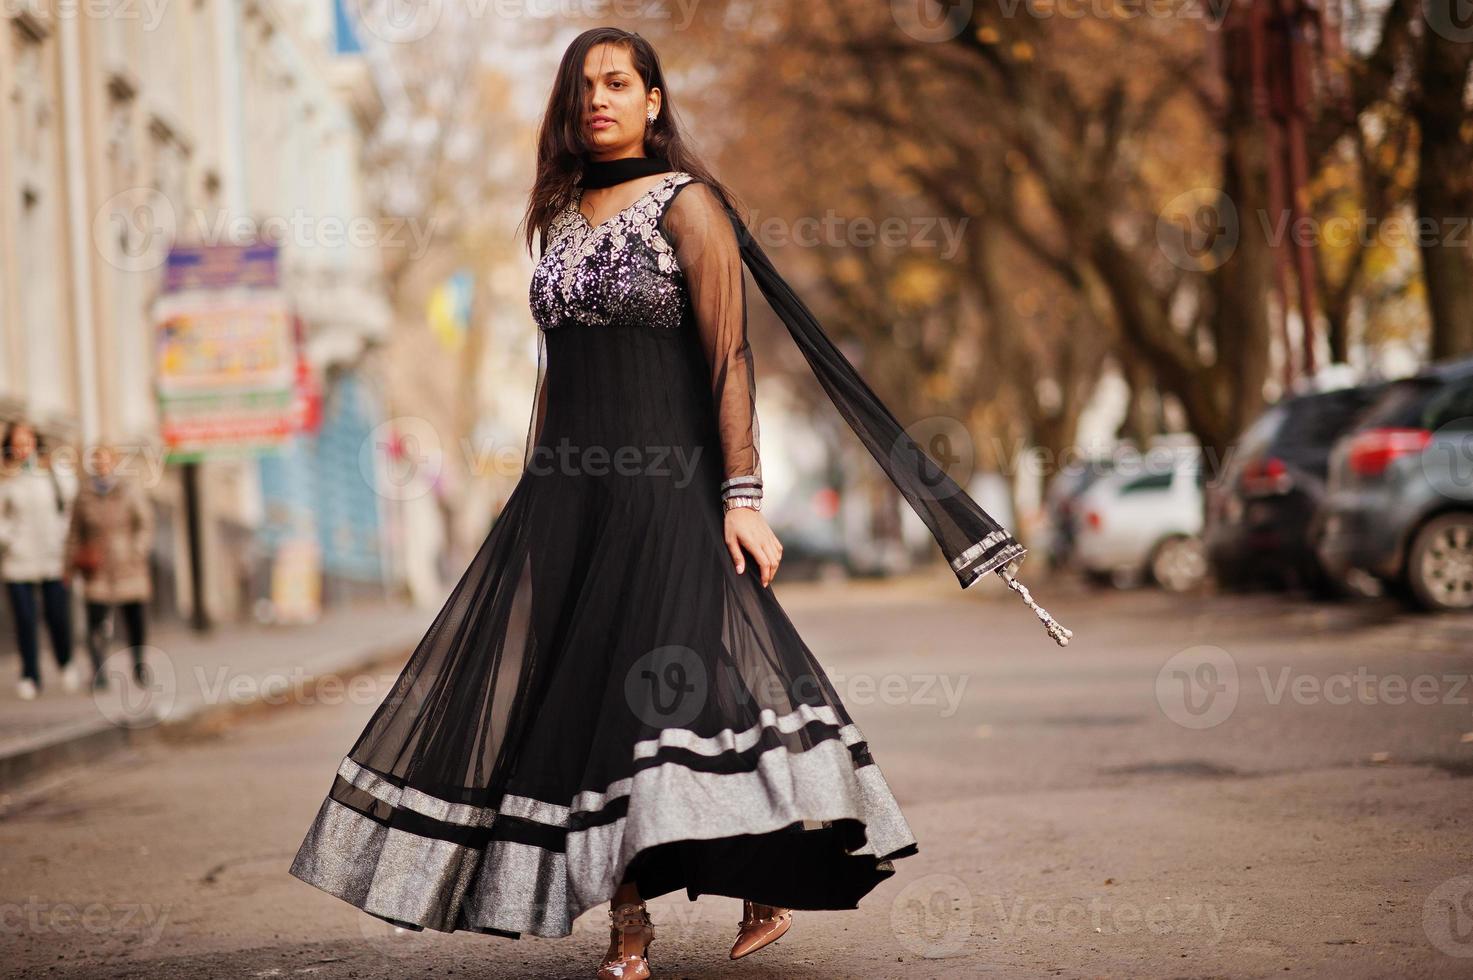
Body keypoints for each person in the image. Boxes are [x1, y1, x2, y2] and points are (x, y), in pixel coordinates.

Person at [289, 28, 1070, 979]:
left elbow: (727, 356)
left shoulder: (688, 205)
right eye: (584, 86)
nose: (599, 100)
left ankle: (728, 888)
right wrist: (538, 494)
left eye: (618, 83)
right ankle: (641, 917)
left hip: (671, 491)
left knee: (662, 696)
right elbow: (556, 375)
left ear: (655, 101)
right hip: (569, 498)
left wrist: (742, 496)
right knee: (579, 701)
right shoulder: (559, 213)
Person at [0, 420, 81, 700]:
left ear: (36, 442)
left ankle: (65, 661)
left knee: (57, 615)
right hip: (18, 561)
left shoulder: (55, 473)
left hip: (52, 559)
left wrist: (64, 543)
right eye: (17, 442)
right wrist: (9, 537)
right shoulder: (5, 478)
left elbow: (72, 509)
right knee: (25, 619)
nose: (23, 447)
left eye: (27, 441)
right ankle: (30, 675)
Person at [64, 442, 155, 689]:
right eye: (97, 461)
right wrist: (69, 566)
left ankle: (139, 665)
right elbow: (75, 533)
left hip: (128, 566)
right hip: (97, 568)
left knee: (134, 620)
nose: (101, 466)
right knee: (95, 621)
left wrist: (136, 550)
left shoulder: (129, 490)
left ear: (114, 462)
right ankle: (99, 671)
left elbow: (144, 524)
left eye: (105, 460)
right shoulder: (83, 495)